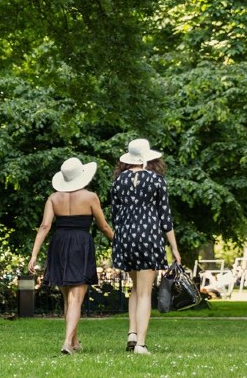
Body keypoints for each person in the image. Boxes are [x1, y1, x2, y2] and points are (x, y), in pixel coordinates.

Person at [28, 157, 115, 354]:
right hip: (80, 244)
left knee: (68, 298)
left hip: (59, 244)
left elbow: (45, 226)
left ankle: (75, 342)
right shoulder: (90, 197)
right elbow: (103, 226)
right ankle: (67, 342)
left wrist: (34, 254)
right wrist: (117, 241)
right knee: (76, 298)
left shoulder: (53, 198)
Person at [110, 138, 182, 356]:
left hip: (125, 238)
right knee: (144, 293)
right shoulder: (156, 180)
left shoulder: (117, 181)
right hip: (149, 237)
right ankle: (141, 344)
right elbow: (165, 218)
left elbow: (115, 216)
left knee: (135, 288)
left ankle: (132, 332)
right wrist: (174, 249)